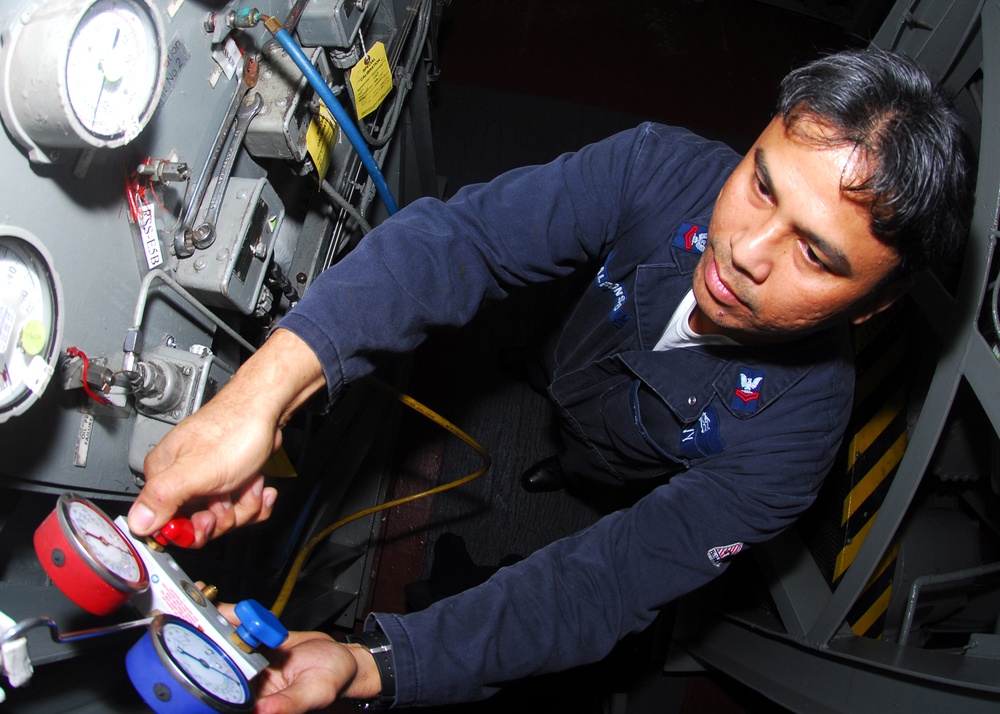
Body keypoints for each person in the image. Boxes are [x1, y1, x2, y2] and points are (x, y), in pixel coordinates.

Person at [127, 47, 974, 712]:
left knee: (594, 479)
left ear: (872, 307)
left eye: (815, 255)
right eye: (760, 183)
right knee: (555, 376)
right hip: (573, 356)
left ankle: (569, 467)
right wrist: (261, 394)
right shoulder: (659, 168)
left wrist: (370, 664)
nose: (745, 253)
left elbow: (604, 583)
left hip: (627, 464)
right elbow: (465, 243)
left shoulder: (792, 447)